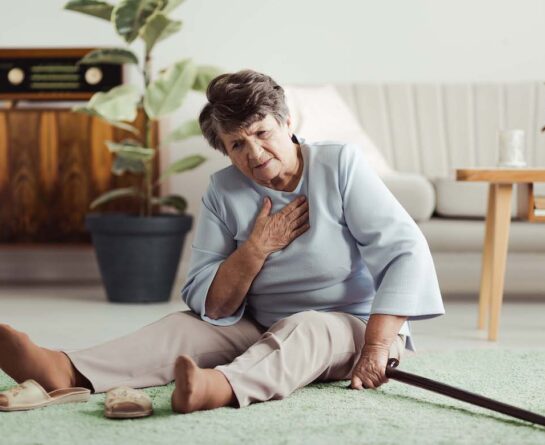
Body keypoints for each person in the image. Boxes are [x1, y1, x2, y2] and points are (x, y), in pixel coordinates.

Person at [0, 70, 445, 414]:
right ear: (225, 152)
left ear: (287, 122)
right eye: (237, 144)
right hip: (258, 323)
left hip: (353, 326)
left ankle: (222, 386)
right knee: (181, 327)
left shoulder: (340, 165)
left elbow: (405, 252)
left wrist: (376, 348)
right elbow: (210, 306)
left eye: (262, 132)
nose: (253, 153)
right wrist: (253, 251)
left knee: (307, 326)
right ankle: (64, 369)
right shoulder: (223, 190)